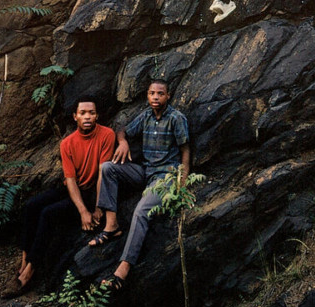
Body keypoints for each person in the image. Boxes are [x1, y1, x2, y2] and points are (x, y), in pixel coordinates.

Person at [90, 78, 191, 291]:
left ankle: (123, 269)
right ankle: (111, 226)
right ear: (147, 95)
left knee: (141, 211)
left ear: (168, 96)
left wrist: (182, 183)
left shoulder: (176, 118)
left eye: (160, 94)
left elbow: (185, 150)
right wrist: (123, 142)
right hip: (145, 172)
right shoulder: (145, 116)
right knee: (107, 167)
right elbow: (122, 130)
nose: (156, 97)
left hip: (165, 177)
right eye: (152, 93)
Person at [17, 98, 116, 289]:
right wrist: (82, 212)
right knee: (31, 206)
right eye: (82, 113)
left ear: (97, 116)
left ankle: (29, 272)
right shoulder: (67, 143)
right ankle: (23, 261)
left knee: (48, 213)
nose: (87, 117)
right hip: (72, 187)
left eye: (91, 113)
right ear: (75, 116)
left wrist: (97, 208)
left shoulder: (107, 135)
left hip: (91, 191)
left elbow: (103, 174)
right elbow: (70, 180)